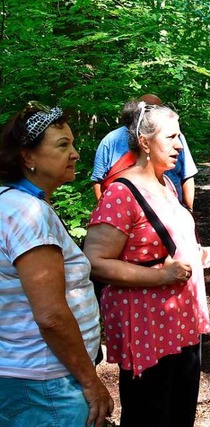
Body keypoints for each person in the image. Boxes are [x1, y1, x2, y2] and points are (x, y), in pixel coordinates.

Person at [83, 102, 210, 426]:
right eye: (171, 137)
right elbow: (96, 262)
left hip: (182, 323)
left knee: (180, 411)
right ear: (144, 141)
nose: (179, 145)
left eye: (180, 136)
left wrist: (196, 252)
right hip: (147, 328)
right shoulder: (120, 193)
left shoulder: (167, 184)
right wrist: (161, 277)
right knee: (150, 414)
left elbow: (162, 241)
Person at [0, 101, 113, 426]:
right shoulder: (28, 214)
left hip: (28, 376)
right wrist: (90, 381)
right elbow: (50, 315)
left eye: (73, 143)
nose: (75, 153)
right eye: (63, 145)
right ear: (28, 157)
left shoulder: (10, 203)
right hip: (46, 382)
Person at [91, 94, 198, 209]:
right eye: (150, 110)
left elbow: (187, 175)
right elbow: (98, 180)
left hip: (173, 209)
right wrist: (104, 209)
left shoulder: (177, 139)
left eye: (159, 109)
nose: (178, 146)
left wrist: (188, 210)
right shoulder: (112, 140)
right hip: (124, 211)